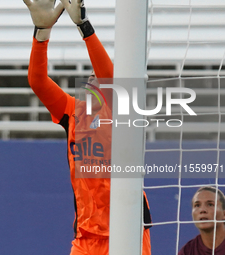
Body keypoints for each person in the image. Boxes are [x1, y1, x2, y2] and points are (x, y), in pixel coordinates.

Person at [23, 0, 152, 254]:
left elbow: (109, 77)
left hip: (129, 229)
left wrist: (84, 26)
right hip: (85, 236)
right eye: (89, 76)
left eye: (97, 77)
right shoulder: (72, 111)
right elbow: (37, 80)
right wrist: (42, 34)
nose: (92, 78)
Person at [179, 186, 225, 255]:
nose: (202, 210)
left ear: (224, 214)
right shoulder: (187, 251)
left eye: (210, 204)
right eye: (197, 205)